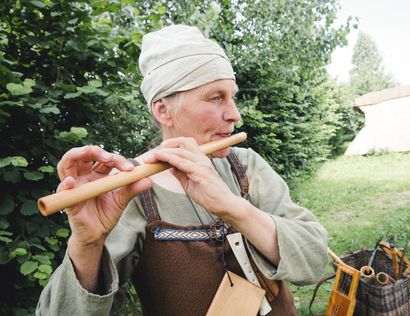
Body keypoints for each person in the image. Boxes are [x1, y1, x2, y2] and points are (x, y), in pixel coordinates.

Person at [36, 25, 328, 316]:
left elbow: (315, 258)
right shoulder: (127, 190)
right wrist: (87, 244)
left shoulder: (246, 165)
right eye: (215, 98)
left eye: (232, 96)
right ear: (163, 110)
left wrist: (233, 207)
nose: (234, 114)